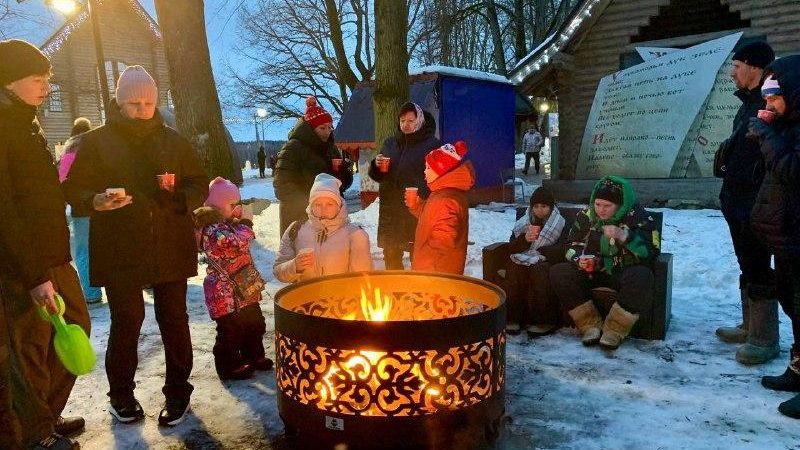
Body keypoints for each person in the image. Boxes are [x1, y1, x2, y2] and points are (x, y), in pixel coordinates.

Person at [63, 65, 208, 427]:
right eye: (133, 103)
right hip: (120, 247)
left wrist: (182, 198)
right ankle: (121, 396)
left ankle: (178, 393)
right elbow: (70, 188)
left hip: (168, 244)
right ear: (118, 101)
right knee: (127, 321)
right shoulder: (94, 142)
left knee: (174, 320)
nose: (142, 109)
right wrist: (94, 200)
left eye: (148, 102)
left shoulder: (174, 140)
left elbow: (198, 183)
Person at [0, 39, 89, 450]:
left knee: (75, 329)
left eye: (48, 78)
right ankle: (34, 434)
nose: (47, 87)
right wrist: (34, 275)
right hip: (22, 267)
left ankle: (46, 416)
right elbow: (6, 210)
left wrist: (89, 200)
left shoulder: (26, 123)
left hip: (54, 255)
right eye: (38, 79)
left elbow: (40, 192)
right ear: (9, 82)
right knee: (30, 349)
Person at [715, 41, 779, 365]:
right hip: (736, 200)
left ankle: (765, 339)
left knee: (758, 266)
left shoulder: (771, 102)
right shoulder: (747, 104)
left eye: (736, 66)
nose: (731, 73)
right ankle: (750, 326)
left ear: (754, 68)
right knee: (746, 264)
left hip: (756, 203)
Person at [549, 176, 659, 350]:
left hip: (622, 271)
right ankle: (589, 325)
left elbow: (650, 252)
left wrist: (625, 237)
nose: (601, 210)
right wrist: (581, 260)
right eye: (598, 204)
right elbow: (571, 245)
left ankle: (614, 330)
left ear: (620, 205)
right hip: (593, 271)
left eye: (607, 206)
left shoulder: (638, 217)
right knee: (559, 272)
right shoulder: (587, 216)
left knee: (641, 276)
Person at [748, 55, 800, 419]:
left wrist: (767, 135)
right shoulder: (787, 127)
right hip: (788, 239)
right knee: (795, 305)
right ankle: (798, 370)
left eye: (774, 99)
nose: (769, 106)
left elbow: (795, 171)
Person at [194, 177, 272, 381]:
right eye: (232, 205)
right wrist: (246, 222)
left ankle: (254, 356)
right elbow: (235, 244)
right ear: (218, 206)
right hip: (223, 293)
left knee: (254, 323)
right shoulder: (211, 229)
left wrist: (237, 221)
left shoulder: (225, 224)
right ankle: (228, 366)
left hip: (243, 288)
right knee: (230, 331)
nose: (236, 208)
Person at [369, 102, 441, 270]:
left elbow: (439, 178)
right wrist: (376, 165)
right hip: (392, 210)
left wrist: (423, 195)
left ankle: (419, 292)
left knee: (420, 257)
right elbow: (379, 177)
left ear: (420, 120)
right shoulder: (390, 143)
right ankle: (395, 293)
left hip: (416, 209)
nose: (405, 125)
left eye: (410, 120)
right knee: (392, 258)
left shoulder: (432, 145)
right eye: (402, 121)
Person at [273, 96, 353, 235]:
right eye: (322, 128)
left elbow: (341, 185)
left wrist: (343, 172)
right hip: (299, 219)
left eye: (329, 127)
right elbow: (282, 187)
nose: (327, 132)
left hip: (330, 219)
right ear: (310, 128)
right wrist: (313, 207)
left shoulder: (331, 148)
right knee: (305, 255)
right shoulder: (292, 149)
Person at [274, 173, 372, 282]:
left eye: (330, 204)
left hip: (341, 298)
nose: (323, 209)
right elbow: (278, 270)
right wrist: (294, 266)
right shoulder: (296, 230)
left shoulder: (355, 235)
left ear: (338, 206)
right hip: (305, 297)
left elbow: (361, 281)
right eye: (318, 204)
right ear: (311, 206)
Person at [504, 187, 565, 337]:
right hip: (525, 255)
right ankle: (513, 318)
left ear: (550, 207)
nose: (539, 210)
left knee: (540, 270)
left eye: (544, 206)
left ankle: (543, 321)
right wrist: (524, 240)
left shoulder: (559, 223)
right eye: (536, 206)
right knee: (514, 266)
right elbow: (512, 247)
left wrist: (543, 252)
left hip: (548, 259)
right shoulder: (525, 222)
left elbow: (564, 247)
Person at [406, 141, 475, 275]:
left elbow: (443, 239)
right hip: (437, 270)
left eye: (428, 168)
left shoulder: (446, 199)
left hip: (438, 274)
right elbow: (434, 219)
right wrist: (417, 206)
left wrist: (422, 263)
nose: (424, 171)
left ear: (440, 172)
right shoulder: (443, 192)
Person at [58, 117, 102, 304]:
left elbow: (61, 178)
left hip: (81, 208)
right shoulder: (98, 147)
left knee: (84, 252)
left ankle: (92, 293)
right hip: (103, 204)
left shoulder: (69, 150)